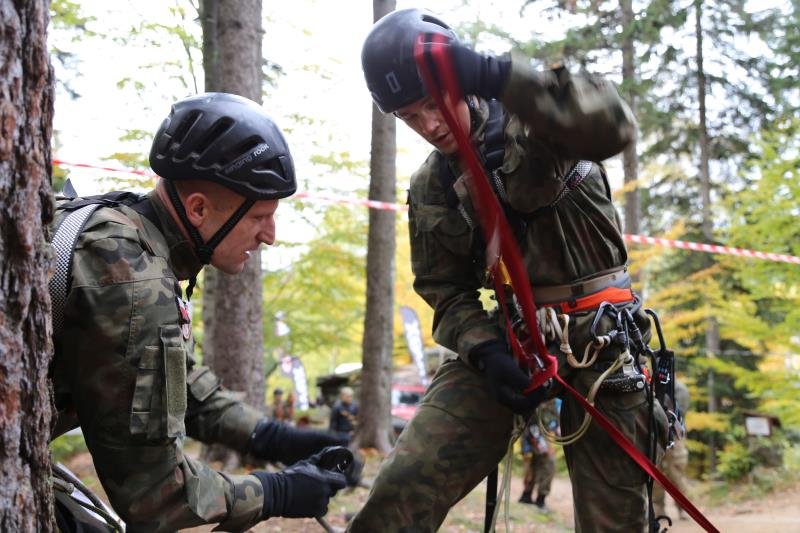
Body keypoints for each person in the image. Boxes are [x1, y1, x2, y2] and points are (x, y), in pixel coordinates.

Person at [349, 9, 669, 532]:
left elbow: (611, 124)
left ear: (462, 82)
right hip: (512, 342)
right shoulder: (431, 185)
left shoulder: (539, 123)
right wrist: (485, 350)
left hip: (604, 343)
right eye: (409, 116)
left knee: (618, 524)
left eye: (433, 102)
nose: (428, 125)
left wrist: (500, 75)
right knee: (399, 494)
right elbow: (443, 289)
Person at [50, 93, 351, 532]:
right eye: (260, 217)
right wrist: (277, 492)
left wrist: (271, 437)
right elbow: (155, 496)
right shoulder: (136, 283)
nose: (270, 235)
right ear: (198, 209)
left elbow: (173, 382)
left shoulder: (123, 230)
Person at [653, 379, 690, 520]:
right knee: (656, 472)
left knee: (676, 472)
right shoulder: (649, 382)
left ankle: (683, 508)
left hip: (674, 435)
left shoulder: (679, 388)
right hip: (655, 434)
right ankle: (658, 509)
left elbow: (681, 410)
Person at [519, 401, 558, 511]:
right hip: (533, 435)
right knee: (547, 465)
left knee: (535, 466)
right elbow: (531, 420)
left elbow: (554, 419)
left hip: (539, 435)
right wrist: (540, 443)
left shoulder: (552, 398)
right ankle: (538, 499)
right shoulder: (542, 394)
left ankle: (527, 496)